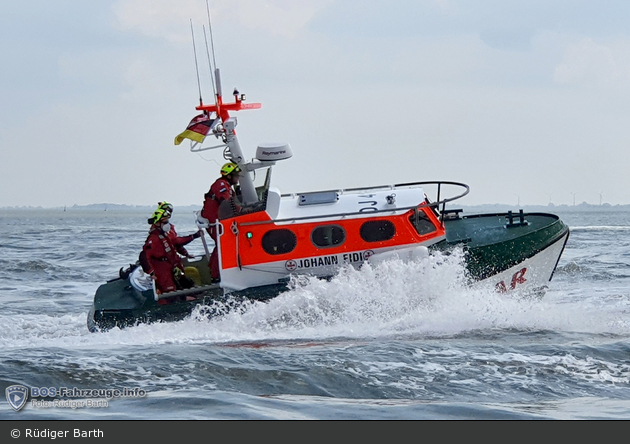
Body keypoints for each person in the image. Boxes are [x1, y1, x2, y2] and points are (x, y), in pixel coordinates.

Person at [140, 202, 201, 303]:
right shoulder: (154, 239)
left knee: (187, 285)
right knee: (171, 294)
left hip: (172, 267)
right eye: (164, 222)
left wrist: (185, 254)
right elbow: (143, 256)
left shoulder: (164, 236)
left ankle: (192, 298)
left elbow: (174, 246)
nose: (167, 224)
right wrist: (151, 272)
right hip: (162, 270)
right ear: (158, 223)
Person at [201, 162, 241, 282]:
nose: (238, 177)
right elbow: (227, 202)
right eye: (236, 175)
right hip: (214, 221)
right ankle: (216, 276)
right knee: (222, 245)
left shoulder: (227, 186)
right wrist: (242, 210)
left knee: (220, 245)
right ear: (229, 176)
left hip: (218, 220)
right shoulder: (221, 184)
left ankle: (214, 272)